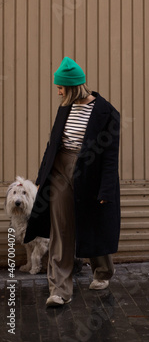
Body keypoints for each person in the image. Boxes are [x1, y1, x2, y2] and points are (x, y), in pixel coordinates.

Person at [24, 57, 121, 307]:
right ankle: (59, 289)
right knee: (62, 228)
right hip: (59, 172)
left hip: (90, 173)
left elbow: (110, 157)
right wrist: (40, 178)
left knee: (92, 223)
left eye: (61, 87)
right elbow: (52, 144)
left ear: (73, 86)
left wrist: (106, 189)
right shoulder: (64, 107)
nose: (58, 91)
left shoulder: (107, 112)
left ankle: (102, 272)